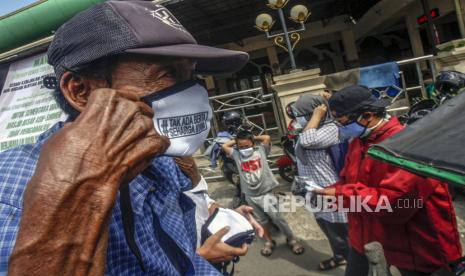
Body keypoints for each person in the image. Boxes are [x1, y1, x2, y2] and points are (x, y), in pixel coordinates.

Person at [0, 1, 251, 275]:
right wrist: (80, 195)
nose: (193, 92)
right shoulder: (10, 194)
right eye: (168, 74)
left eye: (192, 75)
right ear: (81, 91)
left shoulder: (161, 162)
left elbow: (182, 256)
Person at [314, 85, 462, 276]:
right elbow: (346, 180)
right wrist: (328, 194)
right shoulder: (359, 143)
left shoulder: (406, 145)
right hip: (369, 239)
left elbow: (395, 205)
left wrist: (342, 195)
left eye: (342, 123)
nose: (340, 129)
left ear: (367, 116)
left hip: (418, 249)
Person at [222, 131, 304, 257]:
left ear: (253, 144)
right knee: (262, 220)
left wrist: (251, 137)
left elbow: (267, 137)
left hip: (266, 192)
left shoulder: (260, 151)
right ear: (237, 147)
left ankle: (291, 239)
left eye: (247, 146)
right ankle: (269, 241)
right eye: (241, 147)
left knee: (277, 218)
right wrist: (238, 139)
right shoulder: (237, 155)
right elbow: (225, 146)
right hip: (250, 195)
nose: (244, 149)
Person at [292, 94, 349, 271]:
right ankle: (340, 257)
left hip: (329, 189)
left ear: (315, 113)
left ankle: (359, 264)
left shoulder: (330, 128)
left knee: (343, 230)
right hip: (314, 191)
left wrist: (317, 115)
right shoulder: (311, 128)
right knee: (327, 227)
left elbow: (307, 141)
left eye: (300, 115)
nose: (297, 119)